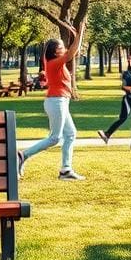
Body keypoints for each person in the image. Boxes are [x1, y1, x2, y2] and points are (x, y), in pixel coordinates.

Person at [19, 20, 86, 180]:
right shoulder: (54, 63)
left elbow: (73, 50)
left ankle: (66, 170)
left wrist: (76, 35)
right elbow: (72, 52)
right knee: (55, 138)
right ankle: (22, 155)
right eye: (61, 46)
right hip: (57, 102)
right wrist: (80, 32)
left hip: (60, 102)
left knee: (70, 134)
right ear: (56, 51)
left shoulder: (53, 61)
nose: (65, 48)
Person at [98, 53, 131, 149]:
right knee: (123, 118)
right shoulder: (126, 73)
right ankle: (107, 135)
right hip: (129, 99)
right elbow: (123, 86)